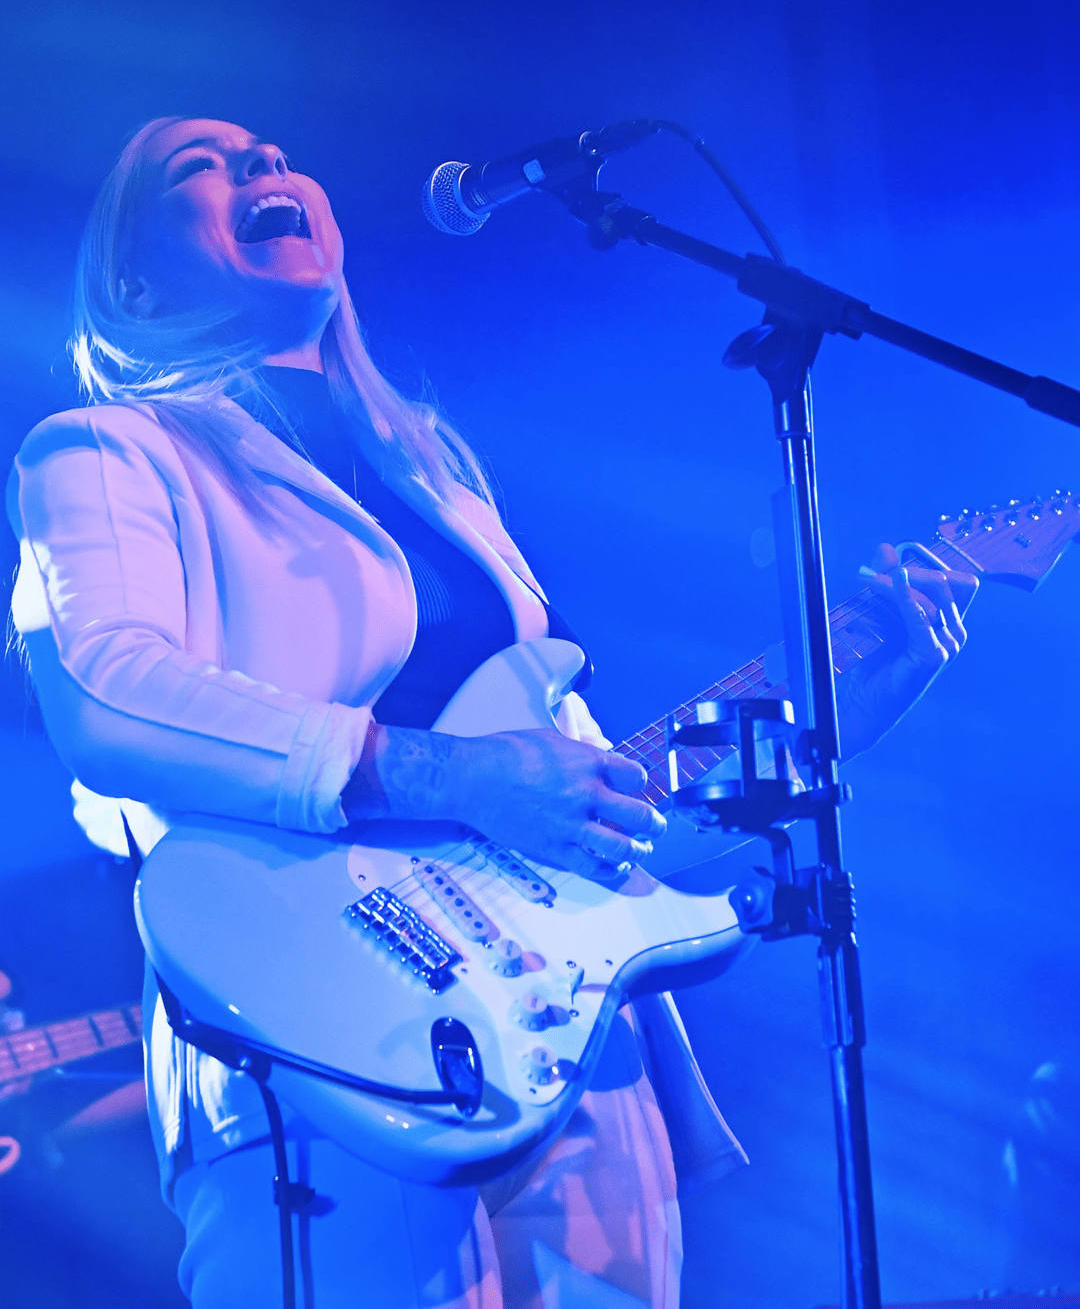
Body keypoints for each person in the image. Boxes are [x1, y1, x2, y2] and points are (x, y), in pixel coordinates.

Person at [6, 117, 976, 1309]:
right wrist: (449, 777)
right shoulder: (106, 452)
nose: (262, 166)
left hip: (573, 1049)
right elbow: (108, 693)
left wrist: (829, 720)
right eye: (201, 168)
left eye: (270, 152)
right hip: (319, 1051)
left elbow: (581, 794)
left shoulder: (441, 479)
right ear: (135, 278)